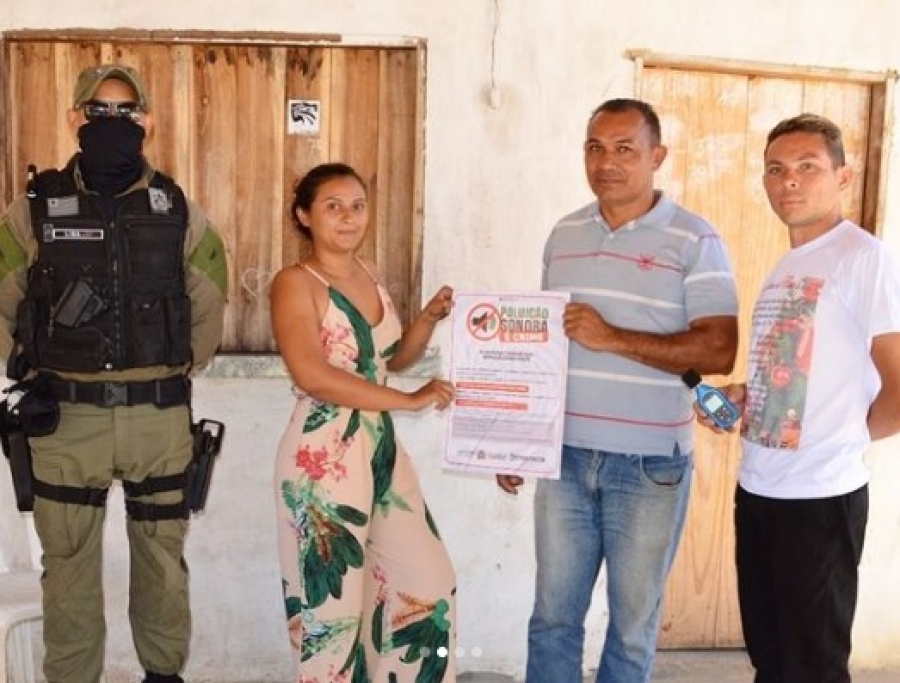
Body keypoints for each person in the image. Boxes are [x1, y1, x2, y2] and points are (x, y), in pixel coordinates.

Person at [497, 98, 740, 683]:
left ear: (658, 156)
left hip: (650, 466)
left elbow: (718, 350)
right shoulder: (564, 235)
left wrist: (612, 337)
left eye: (625, 148)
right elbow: (543, 349)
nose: (607, 162)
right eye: (595, 147)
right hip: (564, 459)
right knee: (552, 619)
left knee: (632, 629)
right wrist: (517, 440)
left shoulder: (694, 239)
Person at [0, 64, 228, 683]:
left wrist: (165, 369)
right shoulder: (32, 211)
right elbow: (3, 299)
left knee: (162, 562)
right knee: (68, 569)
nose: (112, 122)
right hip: (67, 420)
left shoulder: (176, 209)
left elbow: (209, 303)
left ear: (146, 122)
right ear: (75, 119)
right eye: (99, 110)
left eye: (125, 111)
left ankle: (163, 674)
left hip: (157, 418)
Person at [695, 113, 900, 683]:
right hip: (760, 487)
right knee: (771, 660)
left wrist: (841, 439)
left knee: (813, 667)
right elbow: (797, 376)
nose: (788, 180)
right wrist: (746, 397)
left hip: (820, 495)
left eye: (808, 166)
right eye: (776, 168)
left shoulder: (863, 258)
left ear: (843, 176)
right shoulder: (788, 266)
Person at [270, 162, 457, 682]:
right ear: (304, 216)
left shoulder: (367, 274)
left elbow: (390, 359)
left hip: (380, 452)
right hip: (323, 456)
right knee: (331, 618)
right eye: (333, 207)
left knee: (429, 587)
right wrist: (408, 401)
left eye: (357, 206)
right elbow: (312, 375)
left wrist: (426, 320)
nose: (349, 217)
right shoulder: (294, 283)